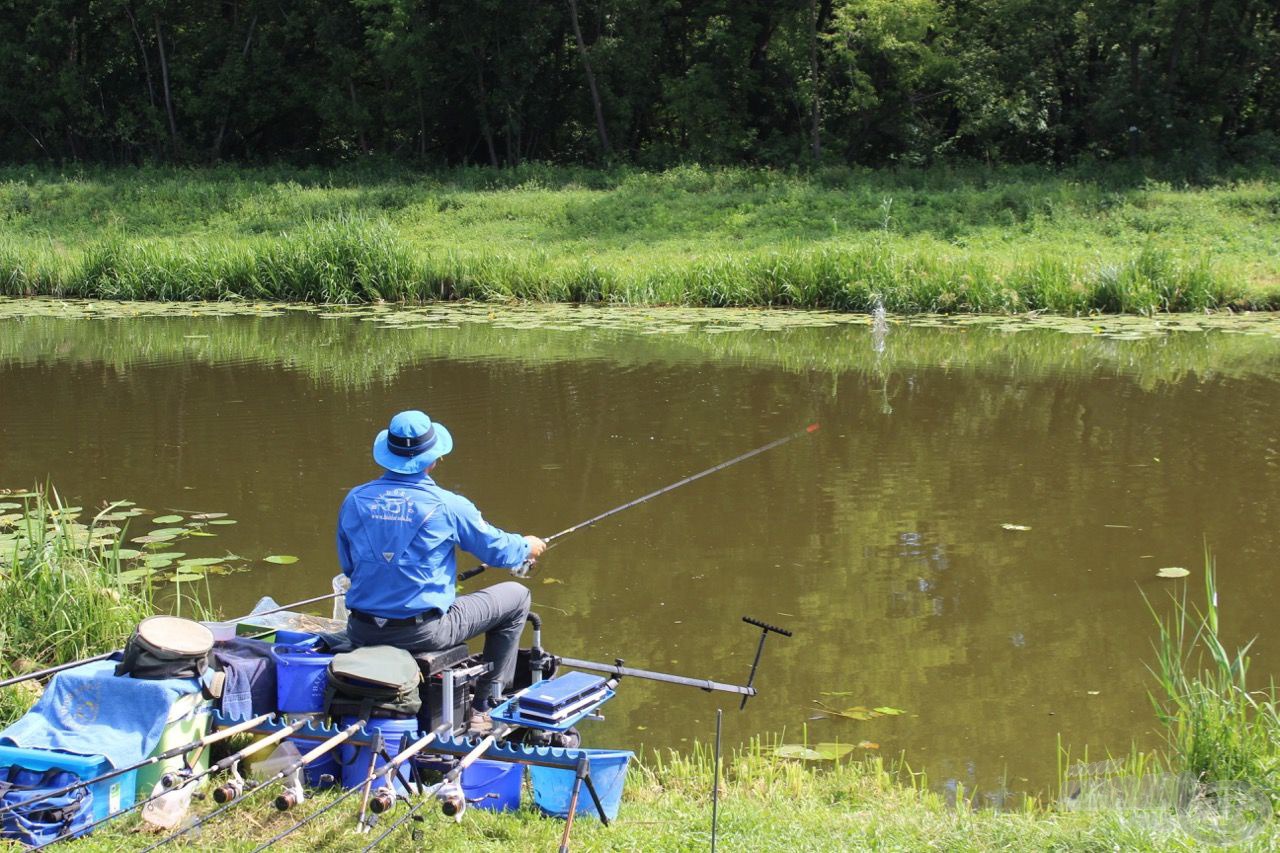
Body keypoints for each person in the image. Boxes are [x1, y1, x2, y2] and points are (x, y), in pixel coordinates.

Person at [336, 410, 546, 733]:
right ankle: (484, 706)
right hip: (423, 633)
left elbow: (349, 566)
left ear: (388, 456)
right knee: (517, 597)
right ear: (433, 460)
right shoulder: (449, 505)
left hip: (362, 630)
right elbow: (498, 550)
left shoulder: (354, 500)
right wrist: (527, 546)